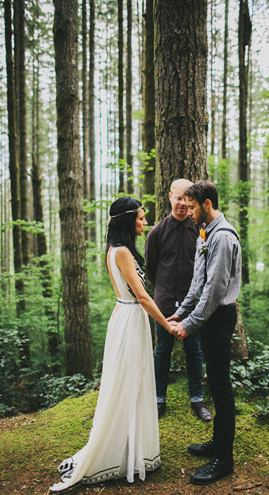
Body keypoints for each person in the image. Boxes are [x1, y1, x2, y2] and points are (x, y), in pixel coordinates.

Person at [50, 197, 176, 492]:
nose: (146, 223)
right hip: (130, 319)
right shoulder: (122, 253)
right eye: (142, 218)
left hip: (127, 317)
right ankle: (119, 453)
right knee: (128, 382)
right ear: (127, 221)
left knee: (134, 382)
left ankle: (129, 448)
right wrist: (167, 325)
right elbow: (143, 297)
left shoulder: (117, 249)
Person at [168, 180, 241, 485]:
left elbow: (213, 291)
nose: (189, 210)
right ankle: (217, 442)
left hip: (220, 317)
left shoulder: (222, 238)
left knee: (222, 387)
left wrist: (189, 324)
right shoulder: (205, 233)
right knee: (216, 383)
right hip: (206, 316)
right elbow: (198, 282)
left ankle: (224, 459)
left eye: (194, 205)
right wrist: (182, 312)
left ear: (207, 205)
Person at [146, 179, 212, 422]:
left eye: (187, 198)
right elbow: (150, 269)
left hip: (193, 305)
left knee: (194, 351)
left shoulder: (200, 229)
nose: (182, 203)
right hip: (163, 304)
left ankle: (197, 400)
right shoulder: (157, 232)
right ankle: (158, 400)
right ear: (170, 197)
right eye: (178, 197)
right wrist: (164, 290)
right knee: (162, 351)